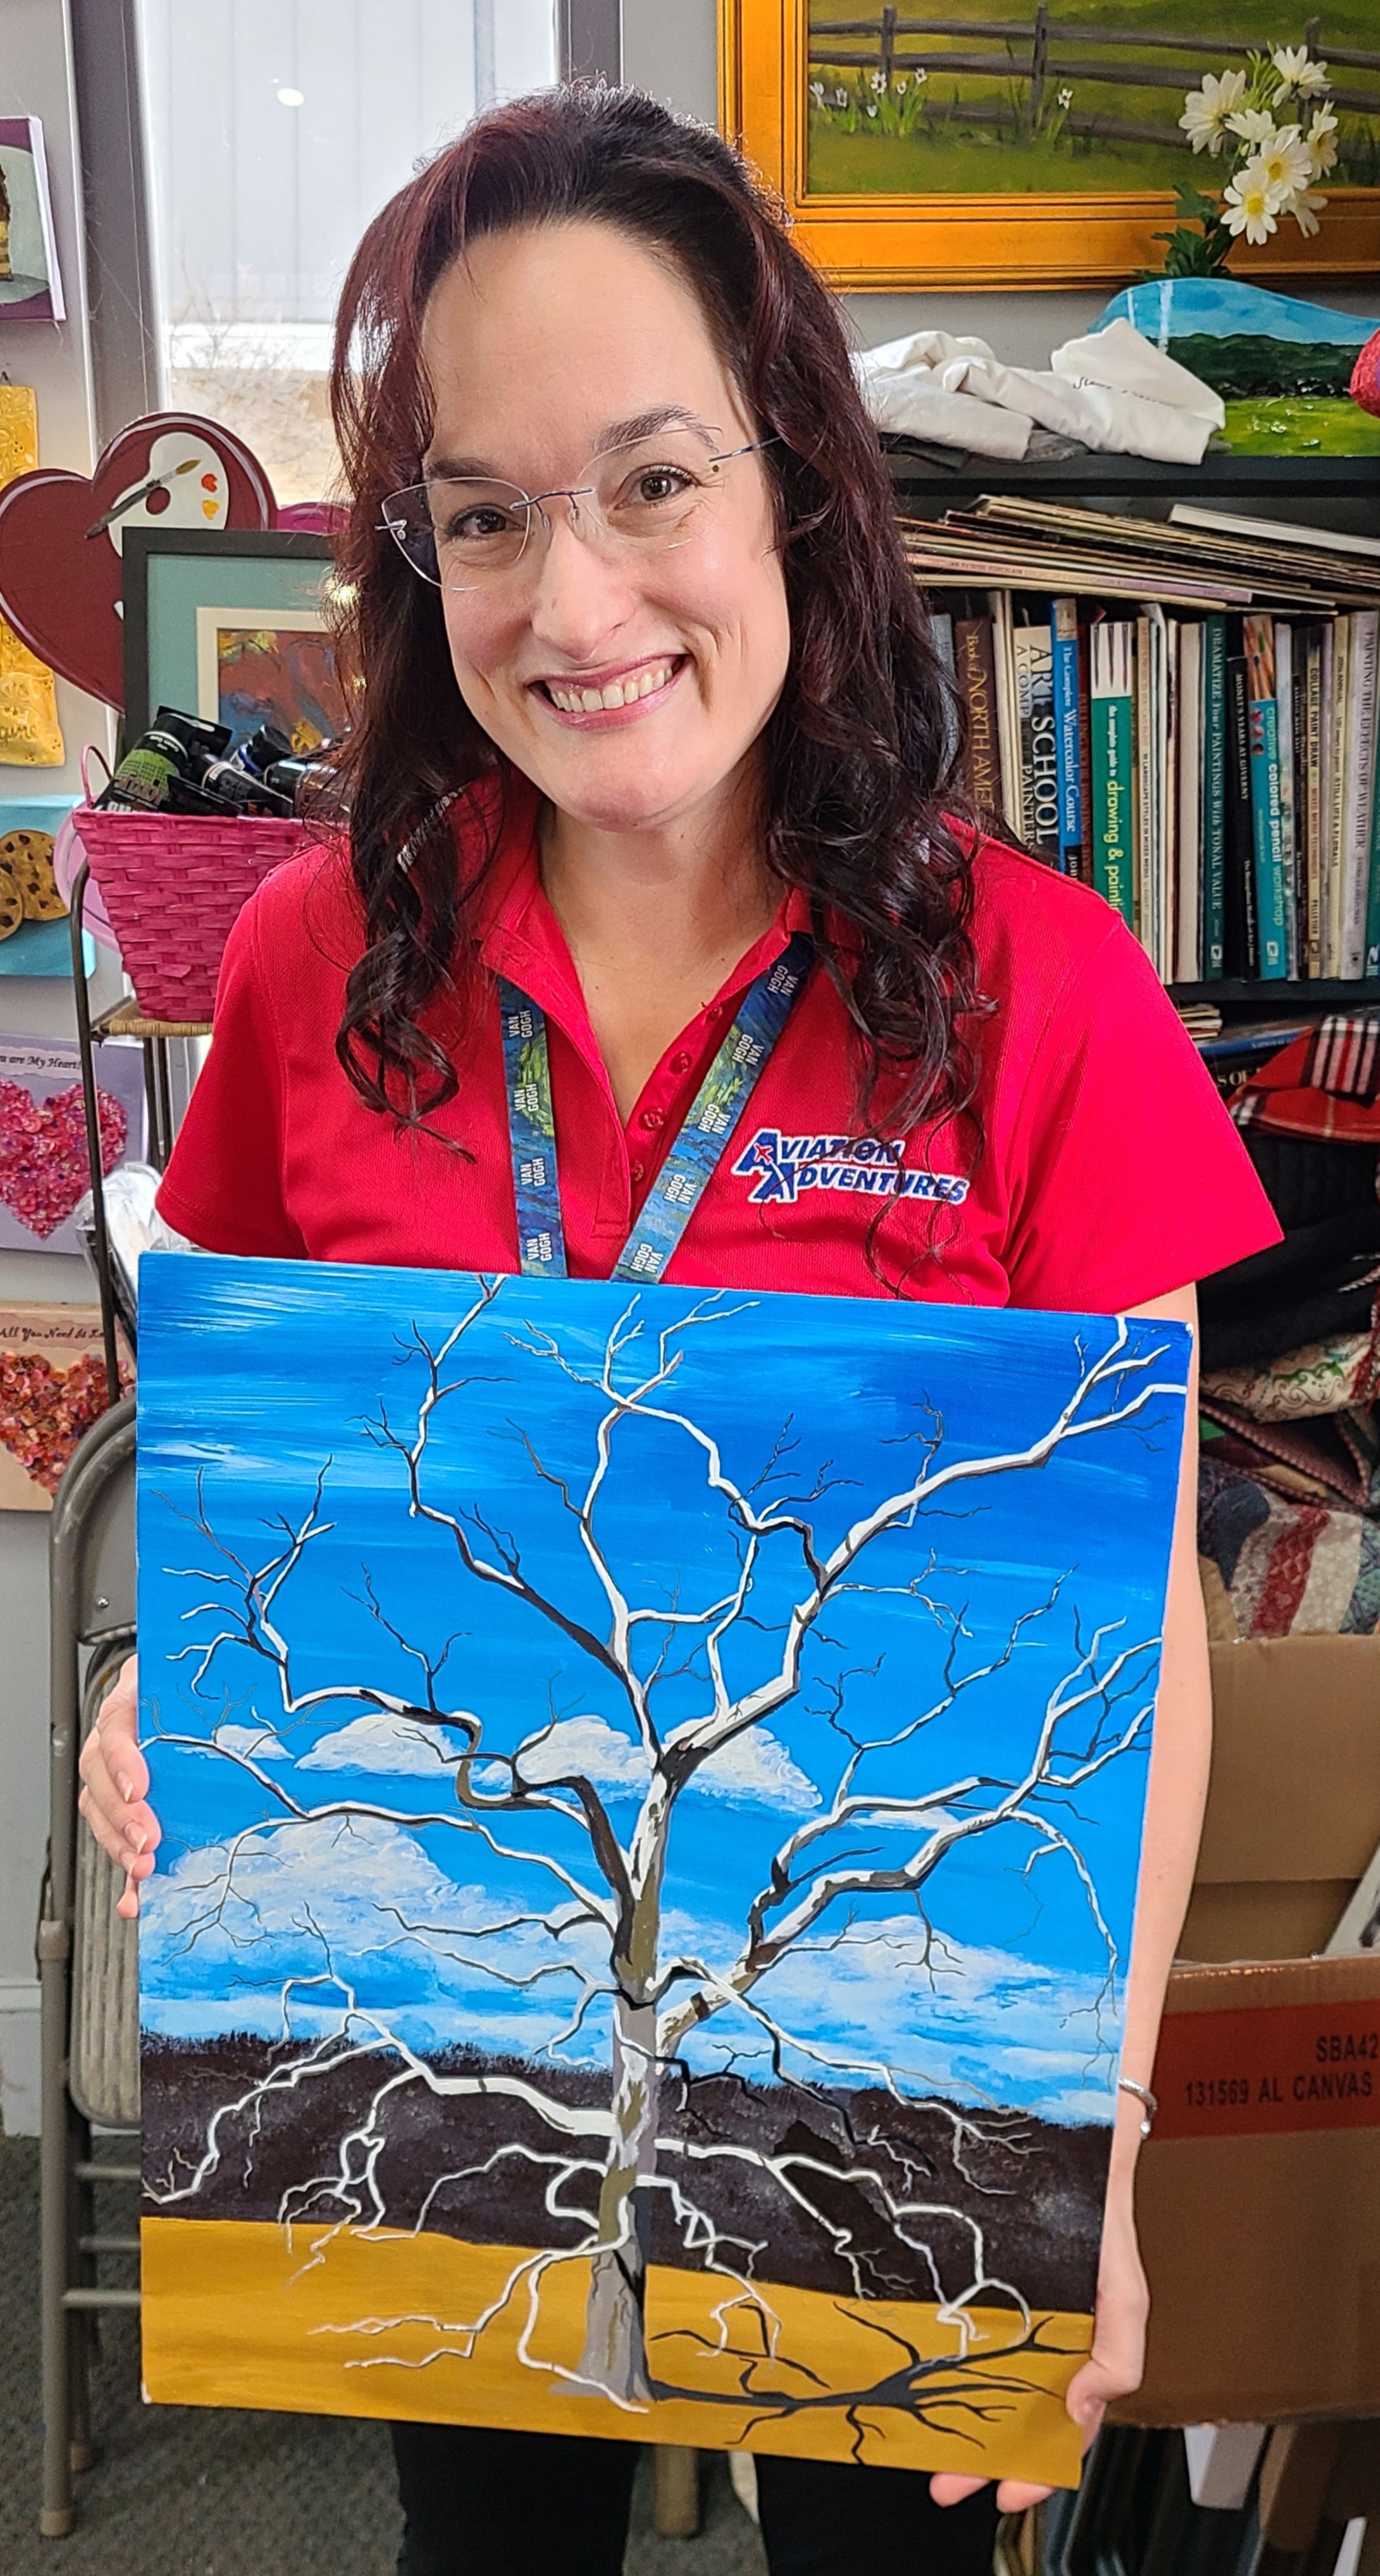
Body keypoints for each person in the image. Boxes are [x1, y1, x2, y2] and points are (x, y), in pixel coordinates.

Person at [79, 82, 1278, 2576]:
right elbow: (247, 1450)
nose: (575, 600)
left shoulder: (1040, 993)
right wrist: (154, 1686)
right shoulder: (313, 959)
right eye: (484, 517)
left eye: (647, 481)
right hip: (441, 2049)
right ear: (416, 563)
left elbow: (1125, 1625)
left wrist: (1103, 2137)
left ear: (792, 489)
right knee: (484, 2548)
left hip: (883, 2071)